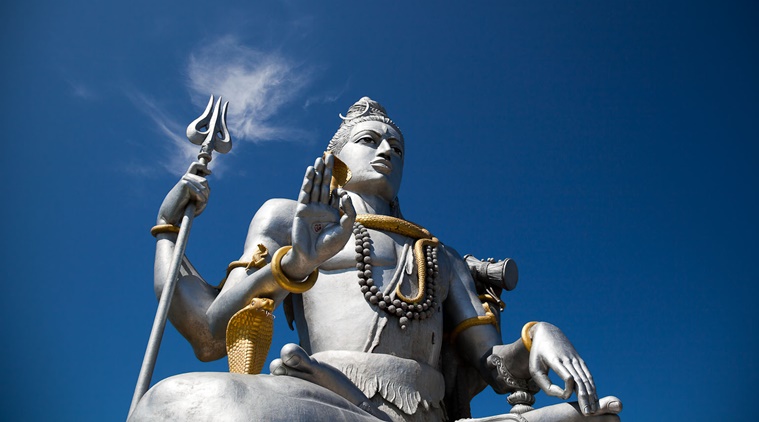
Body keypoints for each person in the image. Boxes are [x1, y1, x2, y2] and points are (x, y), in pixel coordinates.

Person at [130, 97, 622, 422]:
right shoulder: (291, 218)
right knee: (173, 404)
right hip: (329, 397)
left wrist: (539, 335)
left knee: (592, 417)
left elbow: (496, 368)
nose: (387, 150)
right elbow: (209, 334)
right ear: (338, 157)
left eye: (397, 148)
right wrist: (170, 231)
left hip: (428, 413)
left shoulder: (440, 255)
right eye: (369, 140)